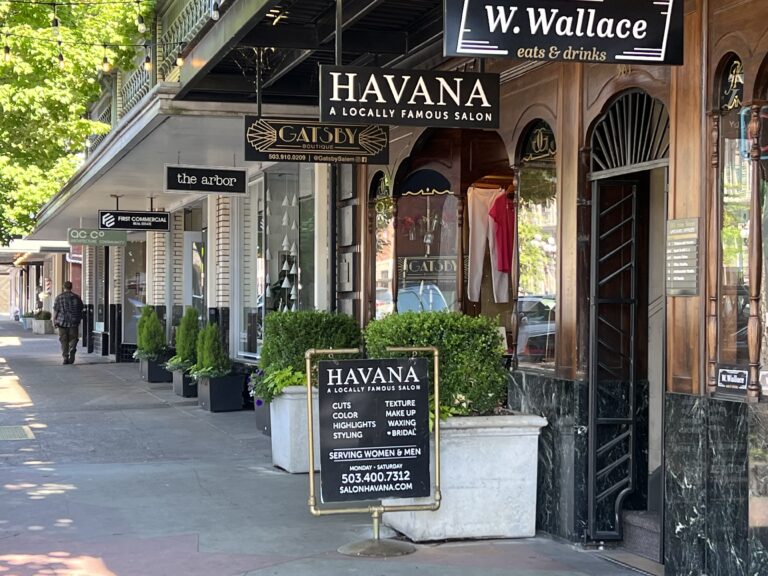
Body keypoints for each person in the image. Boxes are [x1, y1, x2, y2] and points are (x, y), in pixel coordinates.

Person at [53, 281, 84, 365]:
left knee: (63, 340)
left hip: (62, 322)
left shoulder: (59, 297)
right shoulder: (77, 297)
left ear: (64, 287)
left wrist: (54, 320)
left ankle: (65, 357)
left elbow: (56, 310)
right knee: (73, 338)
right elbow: (81, 308)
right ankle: (72, 349)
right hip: (74, 322)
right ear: (71, 287)